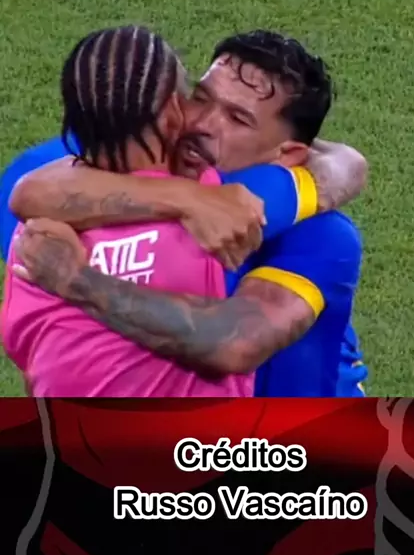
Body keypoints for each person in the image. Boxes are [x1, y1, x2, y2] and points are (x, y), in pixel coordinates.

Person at [11, 29, 368, 396]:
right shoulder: (121, 165)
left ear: (288, 155)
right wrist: (188, 199)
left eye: (237, 119)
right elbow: (27, 192)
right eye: (200, 97)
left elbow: (235, 343)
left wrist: (77, 280)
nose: (200, 124)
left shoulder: (320, 235)